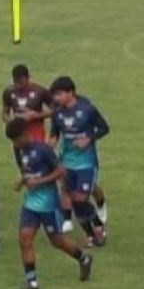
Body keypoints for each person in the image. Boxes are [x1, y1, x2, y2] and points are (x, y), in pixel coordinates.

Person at [6, 119, 94, 289]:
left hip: (48, 203)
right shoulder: (19, 149)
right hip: (30, 202)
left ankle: (83, 258)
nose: (16, 144)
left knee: (57, 240)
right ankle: (32, 281)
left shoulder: (43, 150)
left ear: (25, 134)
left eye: (17, 140)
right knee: (24, 238)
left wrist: (40, 182)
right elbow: (27, 170)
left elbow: (61, 171)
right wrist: (23, 180)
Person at [48, 76, 109, 247]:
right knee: (74, 201)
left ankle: (98, 225)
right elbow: (55, 132)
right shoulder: (57, 112)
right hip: (67, 162)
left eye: (59, 94)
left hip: (86, 163)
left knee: (81, 199)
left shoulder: (87, 109)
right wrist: (51, 142)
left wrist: (89, 138)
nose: (56, 98)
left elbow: (104, 128)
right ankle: (92, 235)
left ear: (70, 93)